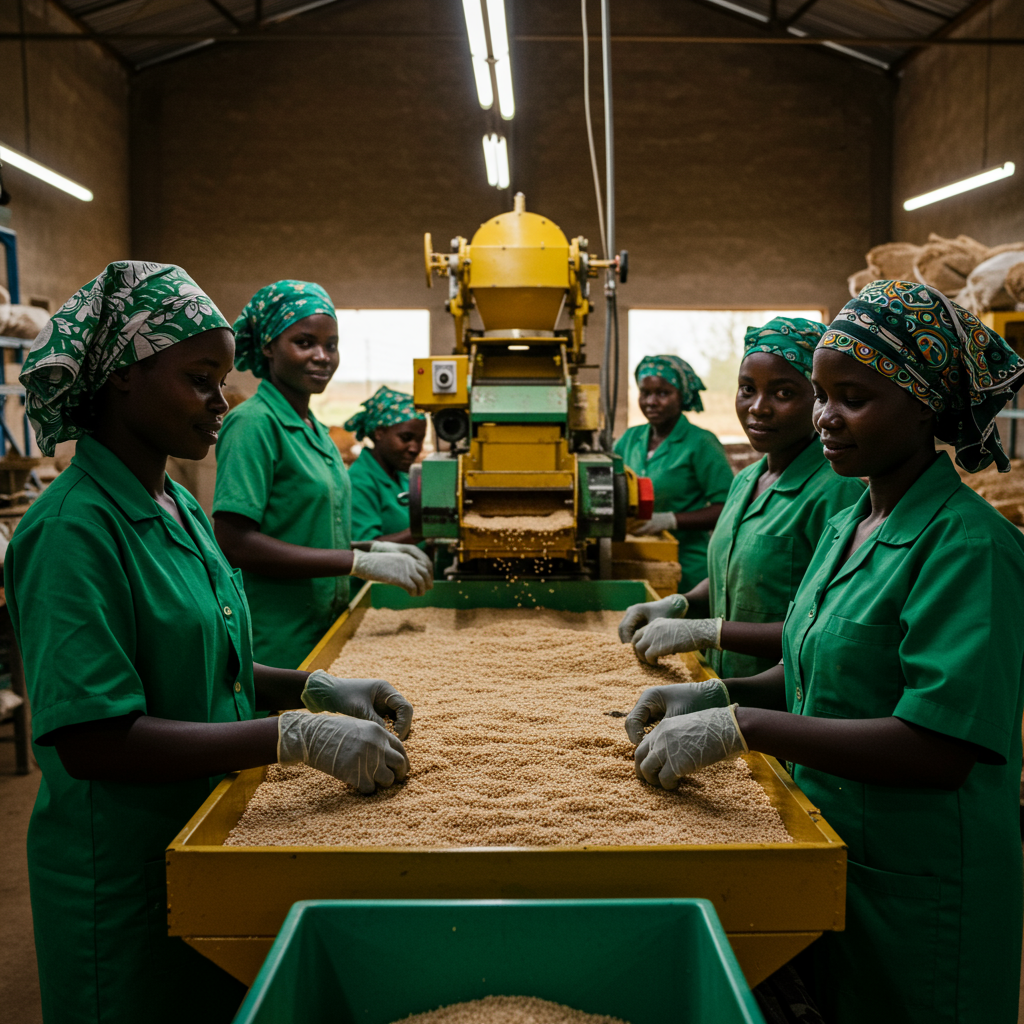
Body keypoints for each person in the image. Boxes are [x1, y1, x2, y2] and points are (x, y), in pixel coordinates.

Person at [5, 263, 416, 1024]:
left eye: (223, 378)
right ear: (123, 376)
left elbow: (211, 661)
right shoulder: (72, 531)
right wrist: (292, 736)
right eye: (199, 378)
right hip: (125, 873)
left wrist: (312, 689)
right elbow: (95, 740)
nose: (220, 401)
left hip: (205, 832)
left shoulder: (174, 507)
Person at [625, 280, 1024, 1024]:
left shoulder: (970, 548)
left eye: (854, 397)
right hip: (831, 844)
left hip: (922, 882)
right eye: (821, 394)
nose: (825, 418)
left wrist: (745, 729)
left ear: (925, 406)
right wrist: (713, 696)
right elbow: (809, 669)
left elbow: (940, 748)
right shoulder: (855, 524)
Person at [618, 318, 865, 678]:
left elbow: (830, 630)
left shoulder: (838, 492)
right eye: (747, 389)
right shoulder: (748, 480)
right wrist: (682, 604)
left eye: (783, 393)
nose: (758, 407)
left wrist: (708, 631)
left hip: (783, 704)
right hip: (722, 681)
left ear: (819, 398)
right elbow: (734, 579)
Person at [212, 281, 431, 670]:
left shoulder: (317, 432)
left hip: (326, 631)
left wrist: (371, 549)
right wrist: (355, 563)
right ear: (268, 346)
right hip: (277, 642)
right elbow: (235, 542)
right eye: (304, 342)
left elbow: (313, 532)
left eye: (331, 345)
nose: (322, 356)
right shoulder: (253, 424)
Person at [614, 355, 734, 591]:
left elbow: (728, 508)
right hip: (634, 558)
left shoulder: (701, 443)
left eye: (662, 393)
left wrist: (669, 520)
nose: (651, 401)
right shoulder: (630, 439)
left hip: (686, 566)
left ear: (682, 396)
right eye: (645, 392)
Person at [345, 385, 426, 545]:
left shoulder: (401, 477)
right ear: (379, 433)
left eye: (420, 439)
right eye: (406, 437)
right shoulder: (359, 481)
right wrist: (426, 529)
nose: (415, 448)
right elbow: (364, 547)